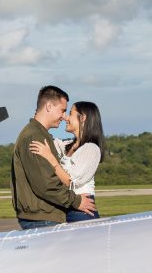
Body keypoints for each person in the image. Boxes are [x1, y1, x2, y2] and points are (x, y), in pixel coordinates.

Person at [29, 100, 111, 273]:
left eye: (71, 114)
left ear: (84, 118)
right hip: (69, 212)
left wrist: (50, 159)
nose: (66, 119)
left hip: (83, 213)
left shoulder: (91, 149)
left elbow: (71, 179)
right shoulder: (66, 145)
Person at [11, 86, 97, 231]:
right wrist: (76, 201)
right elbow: (46, 184)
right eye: (63, 110)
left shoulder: (40, 134)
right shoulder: (35, 136)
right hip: (42, 217)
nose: (64, 116)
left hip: (44, 215)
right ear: (49, 106)